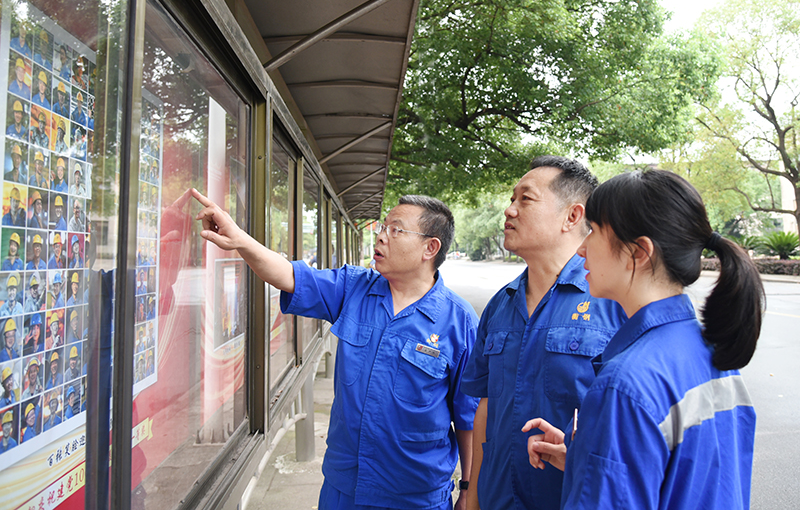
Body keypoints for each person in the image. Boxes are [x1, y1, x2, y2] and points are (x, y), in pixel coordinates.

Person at [193, 188, 478, 510]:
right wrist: (240, 239)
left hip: (415, 493)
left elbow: (469, 417)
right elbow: (289, 276)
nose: (381, 237)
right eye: (383, 227)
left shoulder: (459, 321)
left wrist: (469, 489)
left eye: (395, 230)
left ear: (430, 247)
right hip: (345, 486)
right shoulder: (355, 287)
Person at [523, 169, 763, 510]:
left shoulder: (625, 383)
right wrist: (586, 456)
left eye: (593, 231)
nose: (581, 250)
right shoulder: (709, 350)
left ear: (639, 252)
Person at [461, 156, 626, 510]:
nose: (509, 210)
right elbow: (486, 405)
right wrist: (472, 493)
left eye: (526, 198)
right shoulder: (500, 305)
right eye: (511, 198)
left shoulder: (611, 302)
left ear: (572, 216)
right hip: (498, 498)